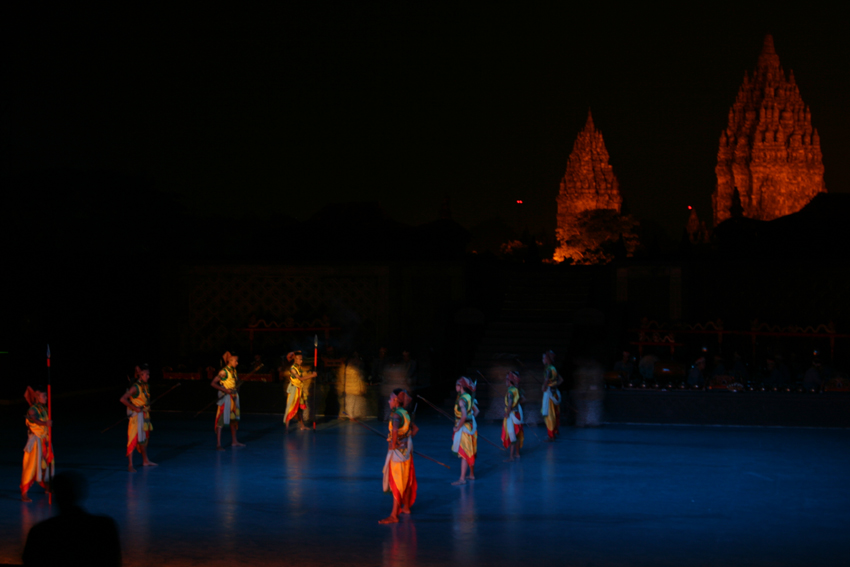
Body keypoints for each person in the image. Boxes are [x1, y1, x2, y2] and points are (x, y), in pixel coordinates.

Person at [22, 471, 121, 566]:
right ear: (82, 493)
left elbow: (30, 560)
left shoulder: (40, 532)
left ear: (57, 496)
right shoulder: (104, 527)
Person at [380, 389, 418, 524]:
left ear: (396, 400)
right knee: (406, 480)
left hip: (398, 455)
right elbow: (415, 429)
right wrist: (406, 440)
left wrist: (395, 443)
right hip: (406, 453)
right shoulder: (405, 414)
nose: (389, 401)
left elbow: (395, 430)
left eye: (391, 399)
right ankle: (406, 507)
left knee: (396, 481)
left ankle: (394, 515)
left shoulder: (396, 415)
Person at [119, 364, 156, 471]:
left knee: (144, 439)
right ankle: (130, 465)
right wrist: (134, 408)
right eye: (147, 374)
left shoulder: (146, 386)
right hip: (136, 417)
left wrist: (147, 407)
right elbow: (123, 399)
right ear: (141, 375)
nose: (148, 376)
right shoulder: (135, 387)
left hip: (145, 415)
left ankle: (145, 460)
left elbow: (145, 399)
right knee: (133, 438)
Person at [21, 387, 54, 502]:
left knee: (46, 464)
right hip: (35, 443)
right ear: (37, 398)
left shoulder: (43, 408)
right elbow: (35, 420)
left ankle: (47, 487)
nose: (46, 397)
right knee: (31, 466)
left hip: (44, 441)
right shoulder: (32, 410)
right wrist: (46, 423)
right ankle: (24, 493)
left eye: (46, 395)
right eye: (43, 396)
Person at [211, 351, 245, 450]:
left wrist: (237, 387)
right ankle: (218, 444)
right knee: (221, 420)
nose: (237, 363)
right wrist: (225, 390)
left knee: (233, 420)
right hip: (226, 398)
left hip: (234, 397)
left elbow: (236, 382)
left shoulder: (234, 371)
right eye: (236, 361)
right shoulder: (223, 372)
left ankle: (234, 441)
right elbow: (213, 383)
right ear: (230, 361)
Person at [451, 377, 478, 485]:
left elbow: (464, 415)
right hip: (470, 427)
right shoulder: (468, 397)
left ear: (461, 386)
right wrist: (471, 421)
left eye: (457, 384)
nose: (455, 386)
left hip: (464, 429)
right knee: (469, 451)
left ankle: (462, 479)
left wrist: (458, 427)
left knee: (464, 453)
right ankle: (471, 475)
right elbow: (476, 411)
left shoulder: (462, 400)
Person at [285, 350, 317, 430]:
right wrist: (312, 376)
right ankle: (286, 428)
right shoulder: (293, 369)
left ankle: (302, 426)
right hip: (294, 390)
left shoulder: (298, 367)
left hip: (299, 389)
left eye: (302, 359)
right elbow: (301, 378)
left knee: (299, 409)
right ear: (296, 359)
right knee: (290, 408)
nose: (302, 361)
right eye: (300, 359)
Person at [501, 371, 525, 460]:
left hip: (512, 414)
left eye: (507, 379)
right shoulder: (516, 389)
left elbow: (510, 403)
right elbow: (523, 400)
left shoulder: (510, 391)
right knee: (517, 434)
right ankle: (517, 454)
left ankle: (511, 456)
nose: (505, 381)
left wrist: (507, 413)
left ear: (510, 381)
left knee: (512, 434)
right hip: (518, 413)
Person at [541, 360, 564, 440]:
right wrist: (554, 385)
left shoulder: (548, 369)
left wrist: (544, 386)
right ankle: (554, 432)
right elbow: (561, 380)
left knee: (549, 415)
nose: (543, 360)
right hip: (555, 393)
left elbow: (547, 378)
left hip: (549, 394)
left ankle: (551, 436)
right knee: (555, 413)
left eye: (543, 358)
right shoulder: (554, 369)